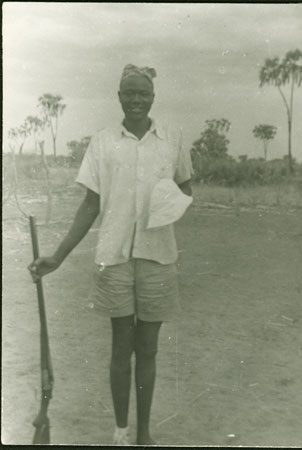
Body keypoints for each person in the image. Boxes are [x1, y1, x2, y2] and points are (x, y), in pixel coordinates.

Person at [28, 64, 193, 446]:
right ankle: (121, 431)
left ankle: (144, 433)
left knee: (148, 350)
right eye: (129, 93)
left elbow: (186, 188)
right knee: (122, 347)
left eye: (143, 94)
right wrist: (57, 256)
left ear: (154, 97)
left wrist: (171, 205)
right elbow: (90, 204)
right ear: (119, 97)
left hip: (158, 256)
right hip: (114, 258)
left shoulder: (171, 139)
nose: (136, 100)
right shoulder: (102, 142)